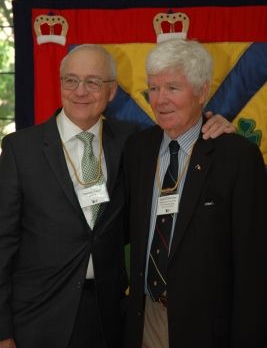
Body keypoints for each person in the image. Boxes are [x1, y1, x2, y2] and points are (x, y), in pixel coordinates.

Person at [0, 43, 233, 348]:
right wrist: (3, 331)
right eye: (71, 80)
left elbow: (182, 127)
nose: (80, 91)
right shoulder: (21, 149)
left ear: (111, 92)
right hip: (37, 319)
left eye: (93, 82)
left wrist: (214, 123)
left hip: (109, 318)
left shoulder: (132, 142)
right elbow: (3, 243)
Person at [124, 39, 267, 348]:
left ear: (202, 91)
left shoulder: (237, 157)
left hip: (208, 328)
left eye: (173, 88)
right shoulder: (138, 149)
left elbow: (252, 265)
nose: (160, 100)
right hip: (145, 319)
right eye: (153, 88)